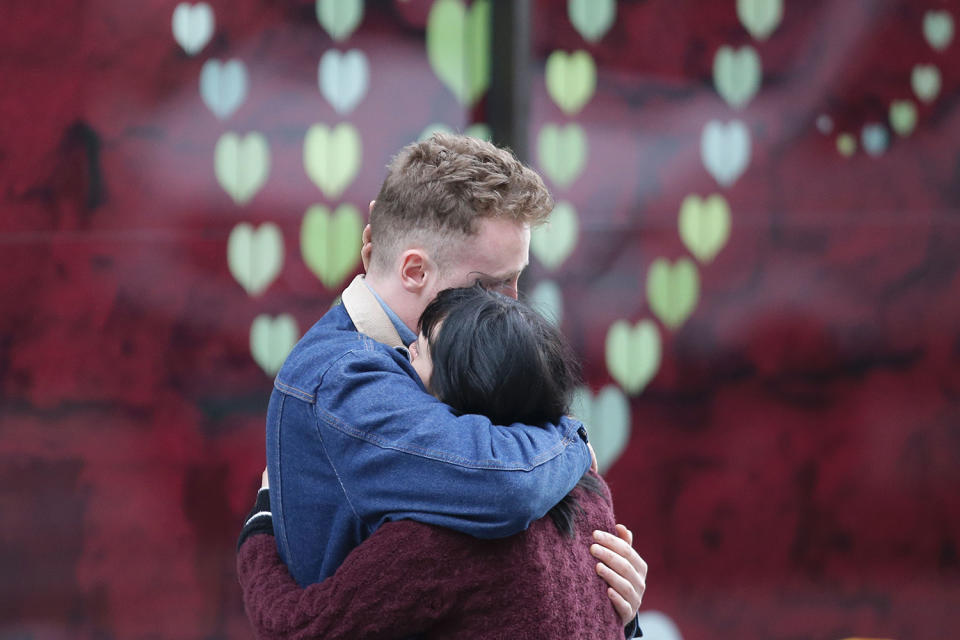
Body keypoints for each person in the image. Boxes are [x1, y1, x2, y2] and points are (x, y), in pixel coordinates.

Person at [265, 133, 645, 634]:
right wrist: (569, 440)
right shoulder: (343, 380)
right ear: (415, 270)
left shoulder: (434, 362)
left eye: (517, 280)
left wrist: (611, 604)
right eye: (489, 284)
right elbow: (505, 485)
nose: (512, 303)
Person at [238, 285, 640, 638]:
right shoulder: (589, 491)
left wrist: (261, 525)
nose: (403, 351)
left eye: (422, 347)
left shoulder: (438, 537)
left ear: (459, 393)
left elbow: (296, 627)